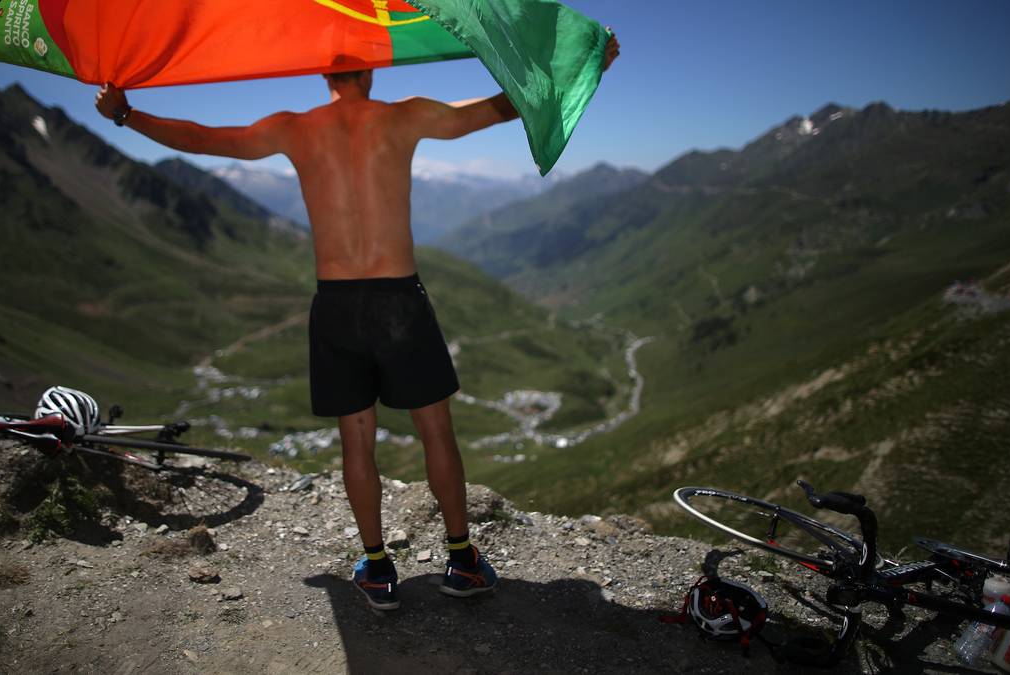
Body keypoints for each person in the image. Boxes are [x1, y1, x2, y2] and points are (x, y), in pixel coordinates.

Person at [96, 35, 619, 610]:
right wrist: (583, 66)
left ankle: (376, 569)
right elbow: (503, 105)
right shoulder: (405, 117)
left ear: (324, 75)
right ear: (372, 70)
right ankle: (463, 558)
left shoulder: (292, 128)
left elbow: (203, 138)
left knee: (356, 441)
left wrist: (126, 114)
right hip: (399, 299)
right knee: (436, 433)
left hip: (337, 304)